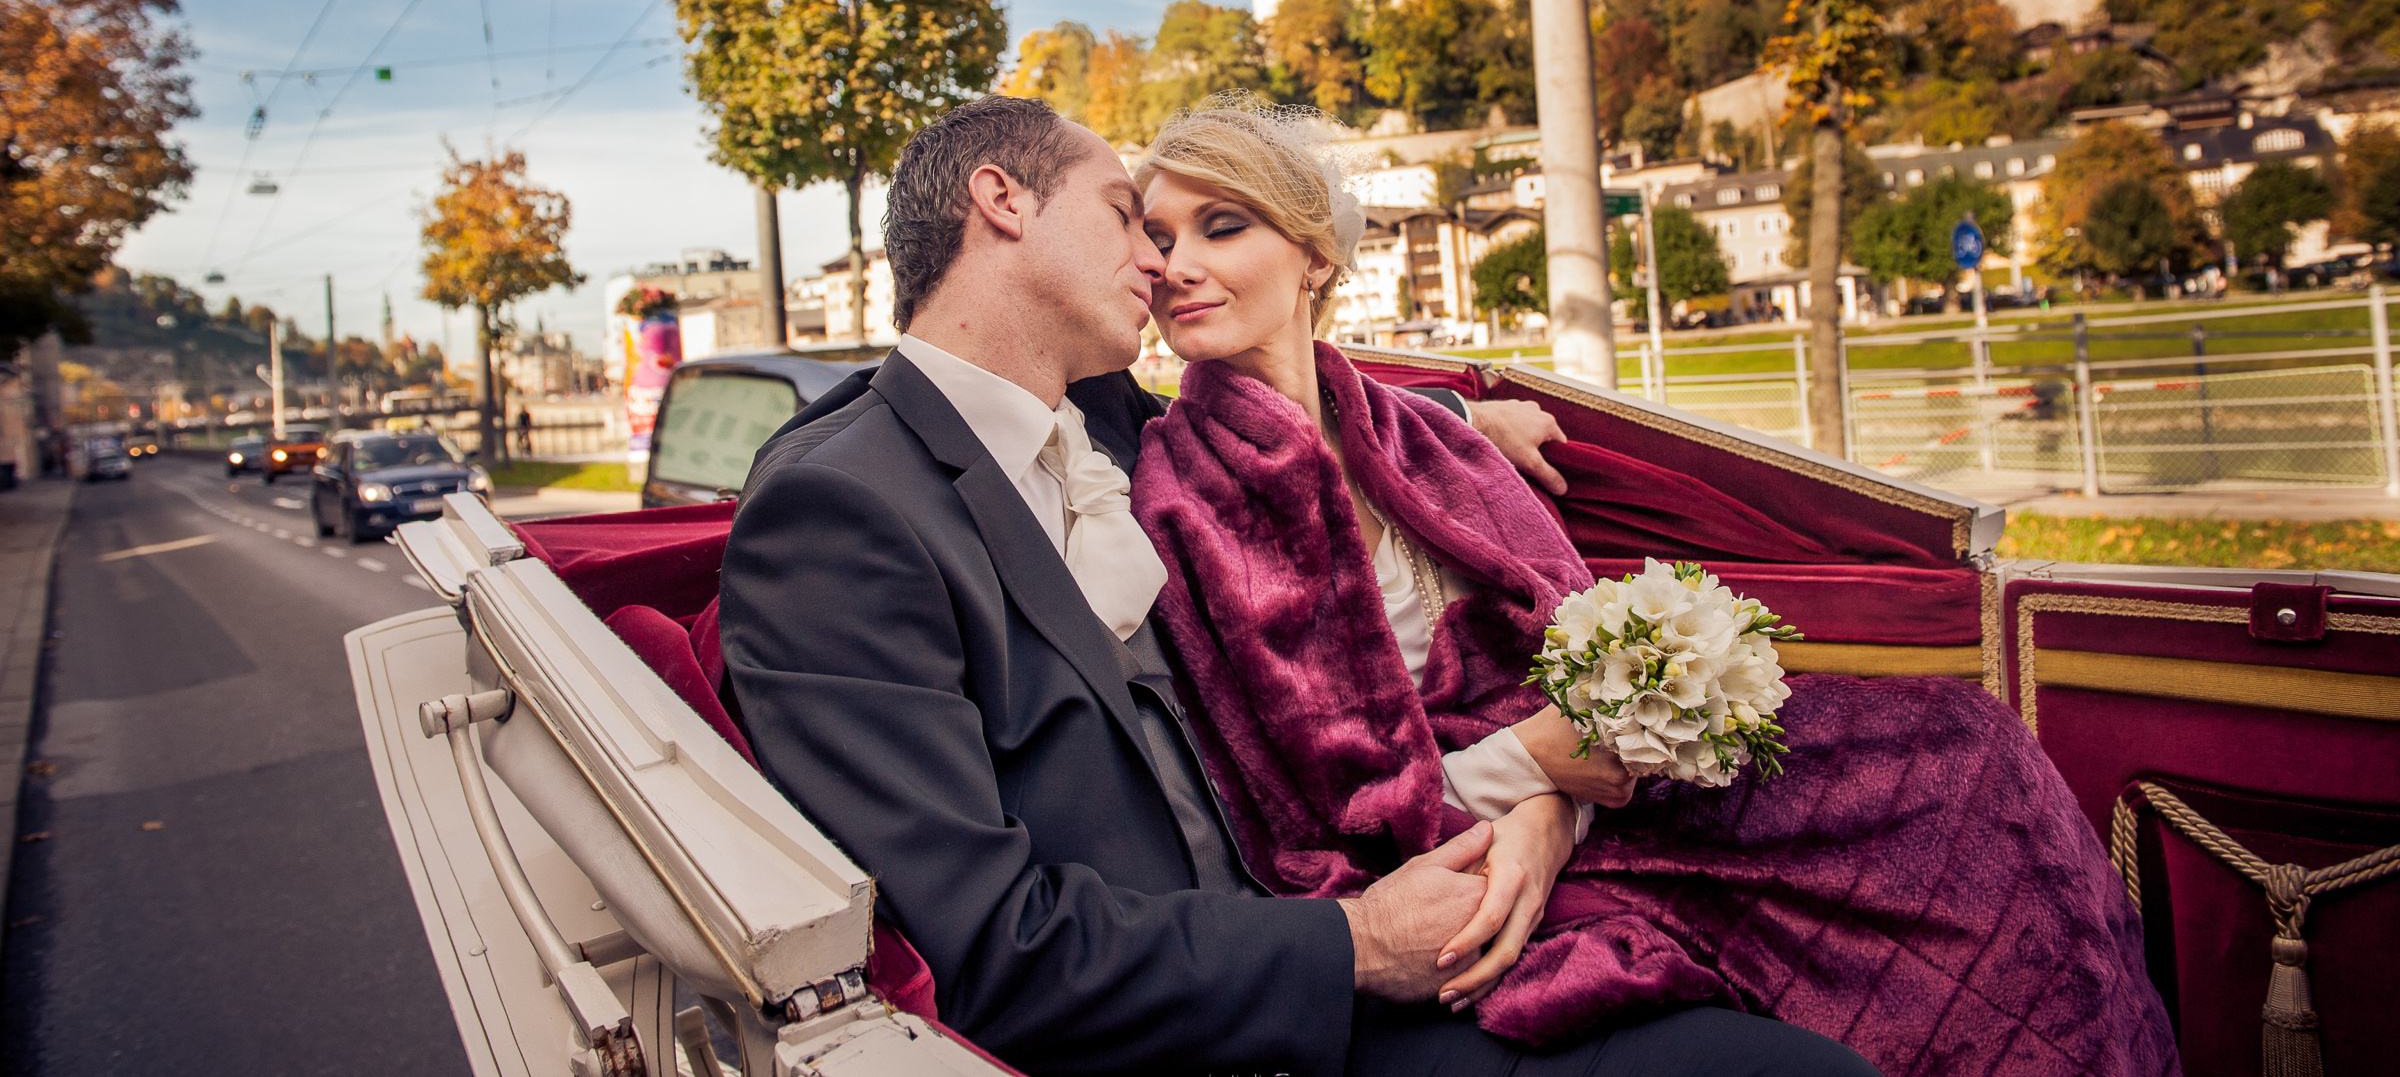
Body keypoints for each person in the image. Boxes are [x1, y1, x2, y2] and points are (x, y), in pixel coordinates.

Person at [719, 95, 1875, 1076]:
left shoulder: (1097, 420)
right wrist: (1356, 944)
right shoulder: (843, 510)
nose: (1158, 263)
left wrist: (1468, 417)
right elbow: (991, 949)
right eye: (1129, 215)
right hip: (1246, 1013)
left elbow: (1291, 413)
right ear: (1003, 203)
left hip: (1376, 900)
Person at [1125, 96, 2178, 1075]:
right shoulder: (1194, 493)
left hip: (1589, 783)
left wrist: (1582, 768)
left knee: (1969, 751)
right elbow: (1326, 816)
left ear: (1314, 256)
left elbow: (1564, 616)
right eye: (1159, 237)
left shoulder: (1405, 427)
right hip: (1460, 834)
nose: (1177, 265)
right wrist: (1546, 774)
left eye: (1222, 226)